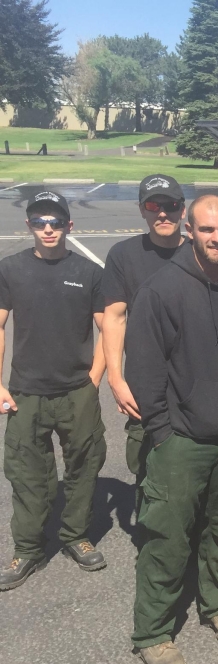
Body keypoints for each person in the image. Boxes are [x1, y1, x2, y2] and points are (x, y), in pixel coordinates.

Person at [126, 195, 218, 664]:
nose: (217, 237)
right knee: (167, 538)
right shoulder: (161, 290)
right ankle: (153, 631)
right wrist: (161, 433)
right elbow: (143, 368)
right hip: (179, 441)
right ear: (189, 230)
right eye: (207, 230)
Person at [0, 191, 107, 590]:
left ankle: (76, 535)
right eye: (40, 222)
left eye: (56, 222)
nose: (48, 228)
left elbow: (107, 328)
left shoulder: (90, 272)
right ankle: (27, 548)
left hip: (77, 389)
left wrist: (94, 377)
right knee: (27, 473)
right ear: (28, 226)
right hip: (26, 392)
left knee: (84, 465)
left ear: (69, 226)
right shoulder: (10, 269)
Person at [102, 175, 189, 504]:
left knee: (194, 468)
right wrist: (115, 378)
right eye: (154, 205)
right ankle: (152, 544)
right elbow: (114, 317)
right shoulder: (124, 255)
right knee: (145, 468)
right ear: (142, 210)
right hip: (145, 384)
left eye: (171, 206)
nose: (162, 213)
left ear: (183, 210)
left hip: (193, 382)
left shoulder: (199, 252)